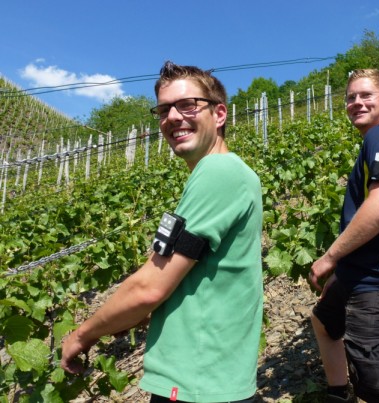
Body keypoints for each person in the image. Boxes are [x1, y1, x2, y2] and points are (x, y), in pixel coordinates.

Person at [61, 61, 264, 403]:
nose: (172, 117)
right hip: (209, 377)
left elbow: (149, 289)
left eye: (187, 105)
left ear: (219, 114)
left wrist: (81, 336)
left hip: (196, 382)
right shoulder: (226, 174)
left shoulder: (218, 171)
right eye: (164, 109)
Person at [309, 69, 379, 403]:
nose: (356, 102)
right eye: (350, 97)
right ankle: (338, 393)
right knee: (324, 319)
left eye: (366, 95)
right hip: (360, 274)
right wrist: (343, 273)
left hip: (378, 282)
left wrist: (330, 257)